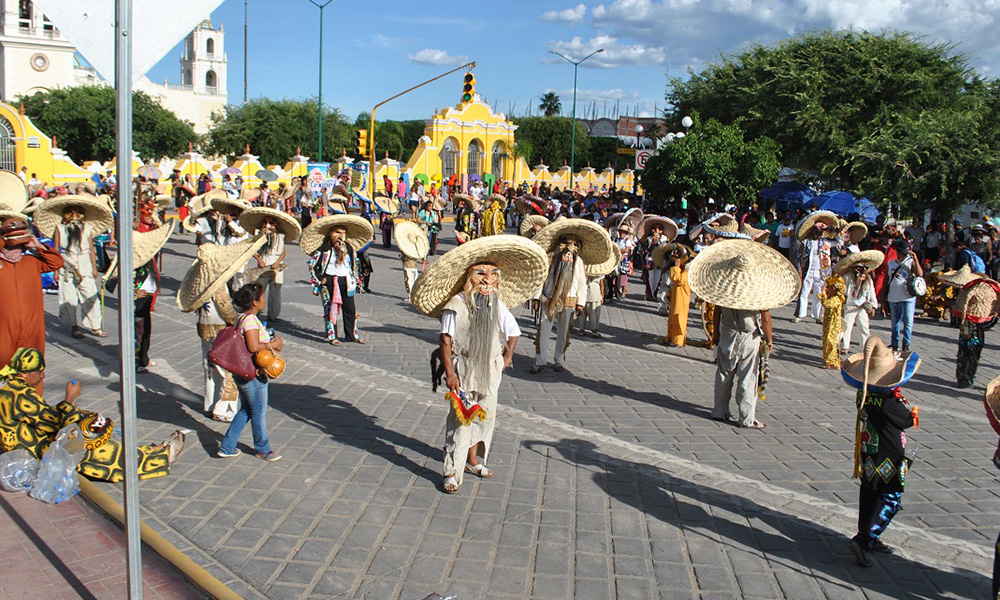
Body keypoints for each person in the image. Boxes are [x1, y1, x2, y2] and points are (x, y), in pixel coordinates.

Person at [410, 236, 548, 494]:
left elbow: (513, 332)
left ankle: (473, 462)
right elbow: (446, 341)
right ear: (468, 276)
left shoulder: (498, 304)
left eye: (494, 274)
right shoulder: (457, 305)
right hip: (463, 371)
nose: (488, 280)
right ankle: (451, 471)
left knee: (486, 419)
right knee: (460, 422)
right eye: (480, 274)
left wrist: (506, 358)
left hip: (491, 372)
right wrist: (450, 373)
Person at [0, 347, 184, 481]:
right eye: (39, 372)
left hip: (24, 443)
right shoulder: (21, 395)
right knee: (91, 447)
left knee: (84, 426)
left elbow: (41, 416)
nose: (42, 377)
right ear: (25, 374)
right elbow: (54, 423)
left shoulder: (9, 386)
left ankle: (148, 451)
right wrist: (69, 400)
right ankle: (158, 458)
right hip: (35, 452)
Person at [690, 239, 799, 428]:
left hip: (727, 335)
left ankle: (719, 410)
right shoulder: (757, 292)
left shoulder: (723, 288)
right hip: (749, 338)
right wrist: (769, 339)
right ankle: (747, 417)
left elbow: (716, 312)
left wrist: (715, 334)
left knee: (724, 374)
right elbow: (765, 319)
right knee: (747, 376)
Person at [842, 336, 920, 568]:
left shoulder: (864, 394)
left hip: (869, 454)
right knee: (890, 497)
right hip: (889, 454)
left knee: (869, 493)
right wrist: (913, 411)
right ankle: (865, 539)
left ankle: (869, 534)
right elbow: (906, 421)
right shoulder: (889, 401)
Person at [531, 219, 613, 374]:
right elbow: (541, 278)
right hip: (549, 298)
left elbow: (582, 283)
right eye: (566, 243)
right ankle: (539, 360)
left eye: (573, 244)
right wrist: (536, 297)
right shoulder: (550, 258)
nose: (569, 248)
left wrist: (580, 303)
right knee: (544, 331)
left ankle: (559, 360)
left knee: (563, 332)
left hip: (569, 301)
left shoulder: (578, 262)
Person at [217, 283, 283, 461]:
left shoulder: (241, 317)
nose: (264, 300)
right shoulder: (251, 321)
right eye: (262, 297)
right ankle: (263, 448)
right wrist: (273, 345)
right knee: (259, 411)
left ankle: (227, 446)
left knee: (246, 410)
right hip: (252, 373)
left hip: (242, 372)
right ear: (255, 302)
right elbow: (253, 346)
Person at [0, 211, 64, 372]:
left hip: (31, 325)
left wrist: (38, 245)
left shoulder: (32, 261)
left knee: (31, 368)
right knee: (3, 369)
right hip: (3, 327)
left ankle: (31, 397)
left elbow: (56, 262)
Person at [47, 199, 112, 338]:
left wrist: (95, 267)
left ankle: (95, 326)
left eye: (77, 212)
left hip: (84, 266)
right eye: (71, 212)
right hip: (67, 267)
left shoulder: (87, 228)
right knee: (68, 298)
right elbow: (56, 250)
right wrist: (56, 271)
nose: (74, 215)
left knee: (90, 296)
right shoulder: (60, 229)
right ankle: (74, 326)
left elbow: (92, 250)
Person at [305, 216, 373, 345]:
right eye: (337, 232)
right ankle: (332, 336)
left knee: (350, 309)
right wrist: (320, 280)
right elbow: (312, 265)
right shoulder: (324, 249)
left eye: (343, 232)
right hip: (330, 282)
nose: (340, 235)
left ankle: (352, 334)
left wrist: (355, 279)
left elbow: (354, 264)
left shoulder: (349, 248)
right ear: (330, 234)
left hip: (346, 281)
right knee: (330, 309)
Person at [241, 208, 301, 323]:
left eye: (271, 223)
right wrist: (260, 260)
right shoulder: (259, 235)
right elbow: (252, 250)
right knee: (259, 290)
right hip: (263, 265)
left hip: (276, 266)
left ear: (276, 224)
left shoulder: (280, 236)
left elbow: (283, 252)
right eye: (266, 222)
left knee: (275, 291)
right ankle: (255, 313)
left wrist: (277, 263)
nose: (268, 225)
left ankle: (273, 314)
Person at [952, 279, 1000, 388]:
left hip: (966, 327)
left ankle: (961, 376)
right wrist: (994, 316)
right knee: (973, 353)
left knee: (963, 351)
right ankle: (967, 377)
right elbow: (987, 325)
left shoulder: (964, 314)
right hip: (976, 331)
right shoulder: (980, 320)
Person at [794, 211, 839, 323]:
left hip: (821, 271)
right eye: (815, 231)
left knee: (819, 293)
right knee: (804, 292)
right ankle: (800, 314)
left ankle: (817, 315)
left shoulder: (826, 243)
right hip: (808, 270)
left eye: (819, 231)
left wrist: (835, 231)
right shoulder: (806, 242)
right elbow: (798, 250)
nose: (817, 233)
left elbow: (839, 242)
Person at [836, 251, 882, 354]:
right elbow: (842, 290)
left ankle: (865, 347)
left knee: (864, 327)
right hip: (849, 306)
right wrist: (841, 304)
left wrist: (874, 305)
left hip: (862, 307)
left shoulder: (868, 279)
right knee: (847, 327)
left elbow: (872, 292)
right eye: (859, 268)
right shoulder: (847, 277)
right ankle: (845, 346)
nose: (861, 272)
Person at [886, 238, 923, 351]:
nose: (901, 256)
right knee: (895, 322)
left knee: (908, 322)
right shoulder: (891, 263)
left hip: (908, 297)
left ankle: (906, 343)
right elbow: (886, 282)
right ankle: (894, 343)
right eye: (899, 253)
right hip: (893, 296)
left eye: (903, 254)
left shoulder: (910, 262)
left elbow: (919, 274)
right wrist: (883, 298)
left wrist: (915, 260)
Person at [664, 244, 693, 346]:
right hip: (676, 298)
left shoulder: (686, 274)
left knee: (678, 318)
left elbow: (677, 279)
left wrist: (676, 267)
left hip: (681, 300)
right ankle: (671, 337)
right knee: (673, 318)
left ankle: (678, 341)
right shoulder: (683, 272)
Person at [818, 274, 846, 369]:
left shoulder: (836, 299)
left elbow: (826, 304)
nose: (827, 289)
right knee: (826, 340)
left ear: (834, 289)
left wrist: (822, 294)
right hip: (828, 324)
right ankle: (828, 359)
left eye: (828, 288)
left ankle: (832, 361)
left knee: (831, 341)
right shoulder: (832, 297)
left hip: (833, 325)